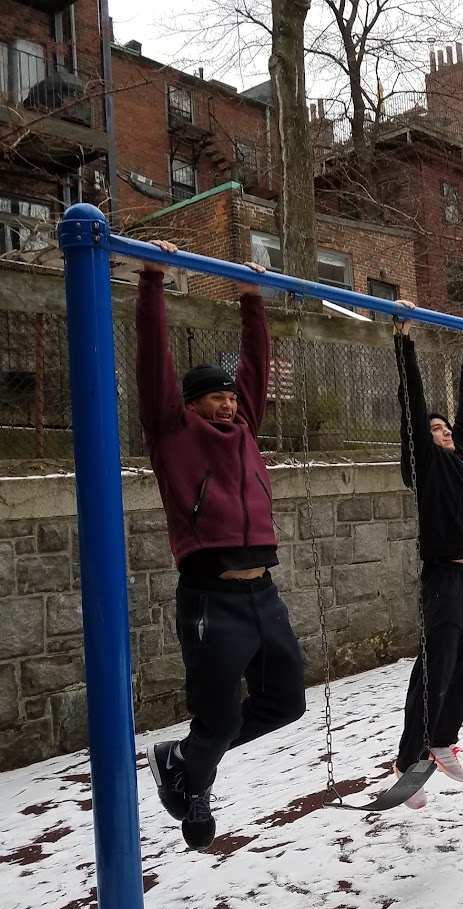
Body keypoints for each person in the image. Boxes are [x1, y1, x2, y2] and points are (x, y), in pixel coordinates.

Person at [139, 241, 306, 852]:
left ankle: (184, 759)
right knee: (220, 716)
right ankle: (195, 786)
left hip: (264, 592)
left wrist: (252, 300)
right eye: (218, 396)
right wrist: (154, 280)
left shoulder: (245, 431)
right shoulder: (172, 434)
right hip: (211, 597)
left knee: (286, 704)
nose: (231, 403)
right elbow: (152, 363)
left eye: (232, 397)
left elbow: (256, 370)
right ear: (190, 404)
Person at [391, 301, 463, 809]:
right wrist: (404, 341)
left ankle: (440, 740)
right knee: (438, 664)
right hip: (445, 577)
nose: (445, 430)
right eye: (435, 429)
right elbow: (412, 407)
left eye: (446, 427)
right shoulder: (428, 469)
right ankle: (410, 756)